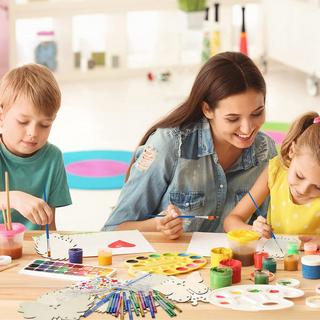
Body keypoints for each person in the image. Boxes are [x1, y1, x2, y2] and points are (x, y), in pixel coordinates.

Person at [102, 51, 277, 239]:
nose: (248, 128)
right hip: (173, 265)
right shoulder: (168, 146)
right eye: (232, 118)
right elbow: (112, 230)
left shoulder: (265, 152)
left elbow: (270, 227)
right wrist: (156, 226)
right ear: (207, 109)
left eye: (257, 113)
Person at [224, 112, 320, 239]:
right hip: (275, 257)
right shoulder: (275, 172)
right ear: (292, 150)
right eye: (300, 176)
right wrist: (253, 230)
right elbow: (230, 221)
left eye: (318, 187)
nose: (303, 190)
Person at [0, 63, 72, 230]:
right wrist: (14, 198)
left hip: (33, 250)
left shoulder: (53, 158)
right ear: (1, 117)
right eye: (23, 122)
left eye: (45, 125)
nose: (33, 132)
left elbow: (49, 226)